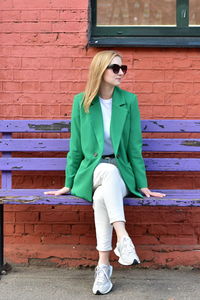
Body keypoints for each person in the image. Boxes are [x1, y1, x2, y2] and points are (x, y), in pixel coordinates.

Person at [44, 50, 166, 295]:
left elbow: (134, 145)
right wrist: (68, 183)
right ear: (100, 70)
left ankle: (103, 267)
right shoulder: (82, 102)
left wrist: (142, 184)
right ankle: (123, 238)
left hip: (119, 173)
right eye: (115, 68)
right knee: (105, 173)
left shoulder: (128, 101)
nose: (121, 73)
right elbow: (75, 146)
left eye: (123, 68)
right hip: (92, 171)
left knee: (102, 196)